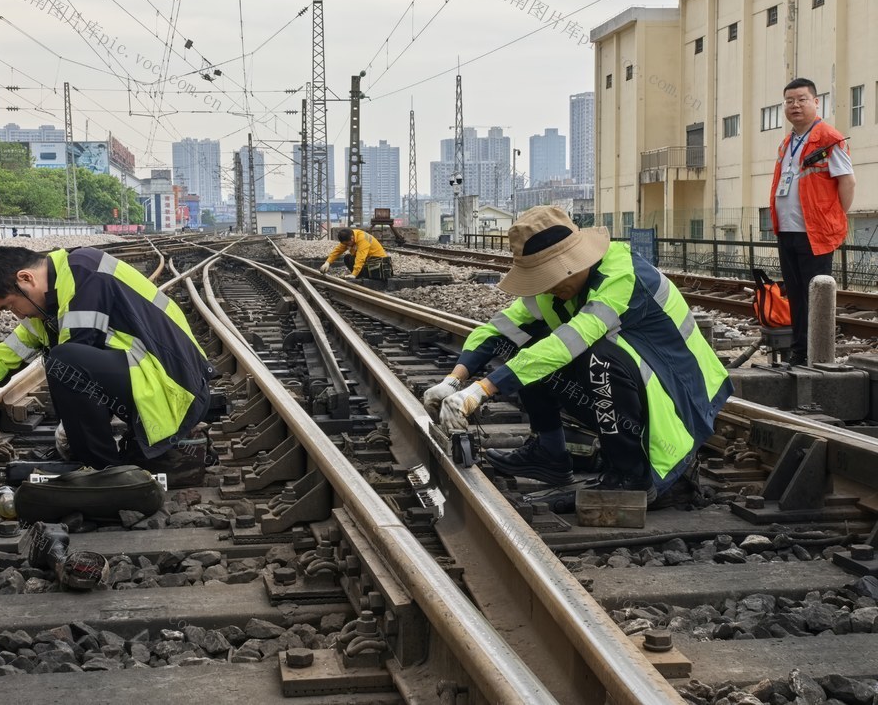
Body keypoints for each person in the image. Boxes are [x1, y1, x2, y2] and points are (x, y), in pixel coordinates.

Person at [422, 206, 733, 503]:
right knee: (527, 347)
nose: (547, 287)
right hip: (637, 390)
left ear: (573, 261)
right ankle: (549, 453)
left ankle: (629, 476)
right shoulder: (555, 290)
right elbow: (497, 330)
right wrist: (454, 380)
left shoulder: (621, 276)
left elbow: (571, 340)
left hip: (681, 394)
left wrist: (482, 390)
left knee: (597, 358)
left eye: (550, 276)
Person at [0, 246, 212, 477]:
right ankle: (102, 467)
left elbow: (77, 357)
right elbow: (3, 356)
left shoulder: (84, 274)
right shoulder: (54, 297)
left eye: (11, 306)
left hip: (174, 387)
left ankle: (101, 471)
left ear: (25, 279)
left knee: (64, 360)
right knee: (64, 359)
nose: (17, 315)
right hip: (161, 379)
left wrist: (72, 426)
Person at [769, 78, 855, 366]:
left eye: (802, 99)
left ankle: (816, 356)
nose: (795, 105)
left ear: (816, 102)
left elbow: (847, 181)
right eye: (789, 101)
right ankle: (799, 351)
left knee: (816, 295)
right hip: (787, 230)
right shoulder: (787, 142)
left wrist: (834, 217)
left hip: (815, 233)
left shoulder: (829, 138)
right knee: (796, 295)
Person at [319, 227, 392, 281]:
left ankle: (357, 276)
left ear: (352, 238)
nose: (347, 245)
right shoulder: (348, 237)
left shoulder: (362, 239)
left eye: (347, 244)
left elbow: (360, 258)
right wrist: (327, 262)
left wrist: (354, 274)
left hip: (378, 262)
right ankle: (358, 276)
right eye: (345, 244)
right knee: (347, 258)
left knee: (352, 259)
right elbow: (337, 251)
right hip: (369, 260)